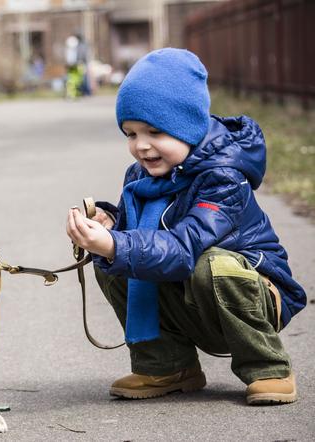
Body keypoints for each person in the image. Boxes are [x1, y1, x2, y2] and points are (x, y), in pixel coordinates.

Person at [66, 48, 306, 405]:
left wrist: (118, 244)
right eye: (130, 134)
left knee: (211, 265)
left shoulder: (223, 178)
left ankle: (268, 366)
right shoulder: (140, 175)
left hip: (252, 299)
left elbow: (182, 247)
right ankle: (166, 365)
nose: (140, 146)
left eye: (154, 131)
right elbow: (142, 241)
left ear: (189, 127)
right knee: (115, 263)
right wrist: (111, 225)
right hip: (193, 297)